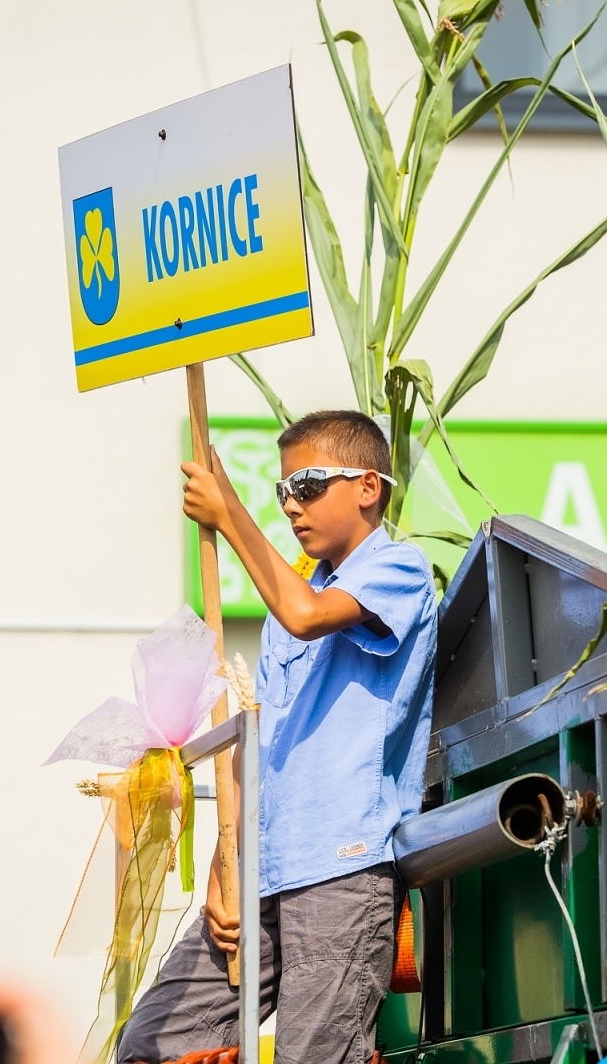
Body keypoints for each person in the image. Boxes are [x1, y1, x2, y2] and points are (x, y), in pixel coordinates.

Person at [116, 411, 438, 1064]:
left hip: (343, 874)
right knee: (150, 1045)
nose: (293, 504)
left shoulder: (399, 571)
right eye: (282, 491)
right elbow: (254, 740)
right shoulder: (285, 613)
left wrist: (229, 512)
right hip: (262, 876)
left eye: (310, 485)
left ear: (369, 487)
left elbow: (307, 613)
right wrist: (222, 865)